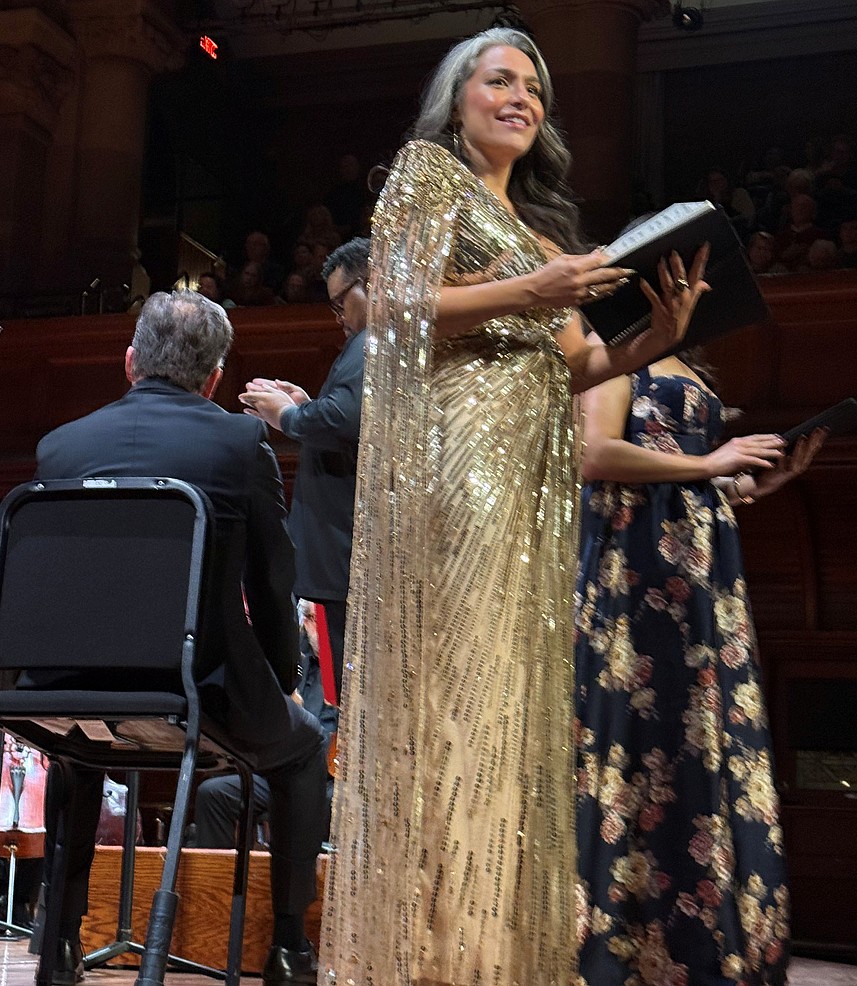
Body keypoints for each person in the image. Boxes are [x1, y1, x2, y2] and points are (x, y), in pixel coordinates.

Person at [318, 27, 709, 986]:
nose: (521, 97)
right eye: (499, 80)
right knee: (457, 689)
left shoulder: (545, 233)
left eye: (533, 86)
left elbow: (576, 363)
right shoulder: (425, 175)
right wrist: (531, 287)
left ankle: (486, 953)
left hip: (533, 480)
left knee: (506, 702)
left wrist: (650, 337)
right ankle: (430, 954)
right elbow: (397, 303)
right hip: (460, 465)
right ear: (458, 100)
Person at [32, 290, 327, 986]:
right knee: (305, 746)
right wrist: (281, 679)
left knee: (76, 748)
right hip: (200, 690)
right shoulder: (239, 441)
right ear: (216, 379)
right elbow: (271, 580)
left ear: (129, 361)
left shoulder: (59, 445)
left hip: (68, 691)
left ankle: (60, 945)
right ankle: (288, 951)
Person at [572, 349, 826, 986]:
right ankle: (625, 952)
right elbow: (593, 453)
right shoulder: (618, 349)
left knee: (700, 743)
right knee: (647, 742)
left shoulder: (682, 359)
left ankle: (704, 946)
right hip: (639, 568)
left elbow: (689, 476)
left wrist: (754, 482)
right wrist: (711, 462)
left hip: (698, 564)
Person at [240, 236, 369, 697]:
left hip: (344, 554)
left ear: (371, 282)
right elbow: (348, 421)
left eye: (340, 303)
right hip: (344, 553)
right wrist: (307, 406)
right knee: (344, 697)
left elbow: (343, 417)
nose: (337, 317)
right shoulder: (368, 344)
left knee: (346, 699)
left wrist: (289, 416)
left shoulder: (371, 340)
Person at [194, 598, 336, 850]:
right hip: (282, 766)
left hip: (326, 775)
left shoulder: (345, 663)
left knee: (327, 799)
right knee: (213, 794)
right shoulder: (296, 653)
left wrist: (302, 723)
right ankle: (218, 881)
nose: (310, 626)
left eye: (316, 620)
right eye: (309, 619)